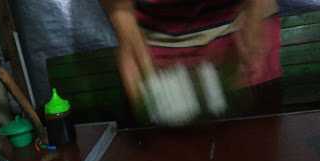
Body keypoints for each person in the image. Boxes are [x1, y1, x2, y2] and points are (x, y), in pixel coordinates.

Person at [101, 0, 282, 115]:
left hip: (240, 35)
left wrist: (255, 14)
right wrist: (128, 36)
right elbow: (120, 9)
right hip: (156, 50)